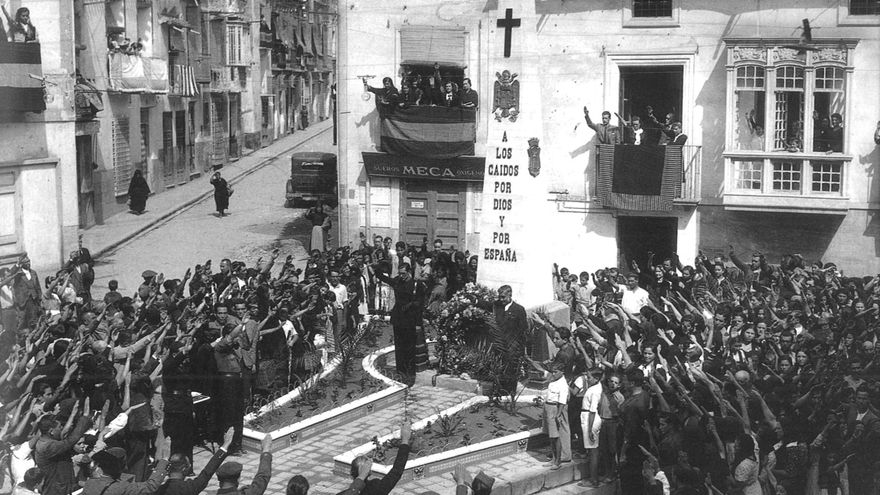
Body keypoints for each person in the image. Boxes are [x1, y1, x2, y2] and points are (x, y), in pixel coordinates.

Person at [373, 263, 425, 386]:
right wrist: (379, 264)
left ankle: (410, 373)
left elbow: (420, 305)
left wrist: (418, 323)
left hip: (410, 319)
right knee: (400, 346)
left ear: (409, 272)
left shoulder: (417, 285)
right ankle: (400, 372)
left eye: (404, 273)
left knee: (409, 347)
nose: (401, 276)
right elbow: (382, 277)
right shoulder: (397, 281)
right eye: (400, 273)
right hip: (399, 318)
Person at [340, 419, 412, 495]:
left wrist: (361, 476)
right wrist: (405, 440)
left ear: (351, 474)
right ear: (369, 472)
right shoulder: (376, 488)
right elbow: (397, 471)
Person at [164, 428, 234, 495]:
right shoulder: (190, 488)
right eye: (189, 465)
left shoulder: (158, 489)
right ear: (184, 469)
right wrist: (225, 445)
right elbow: (208, 470)